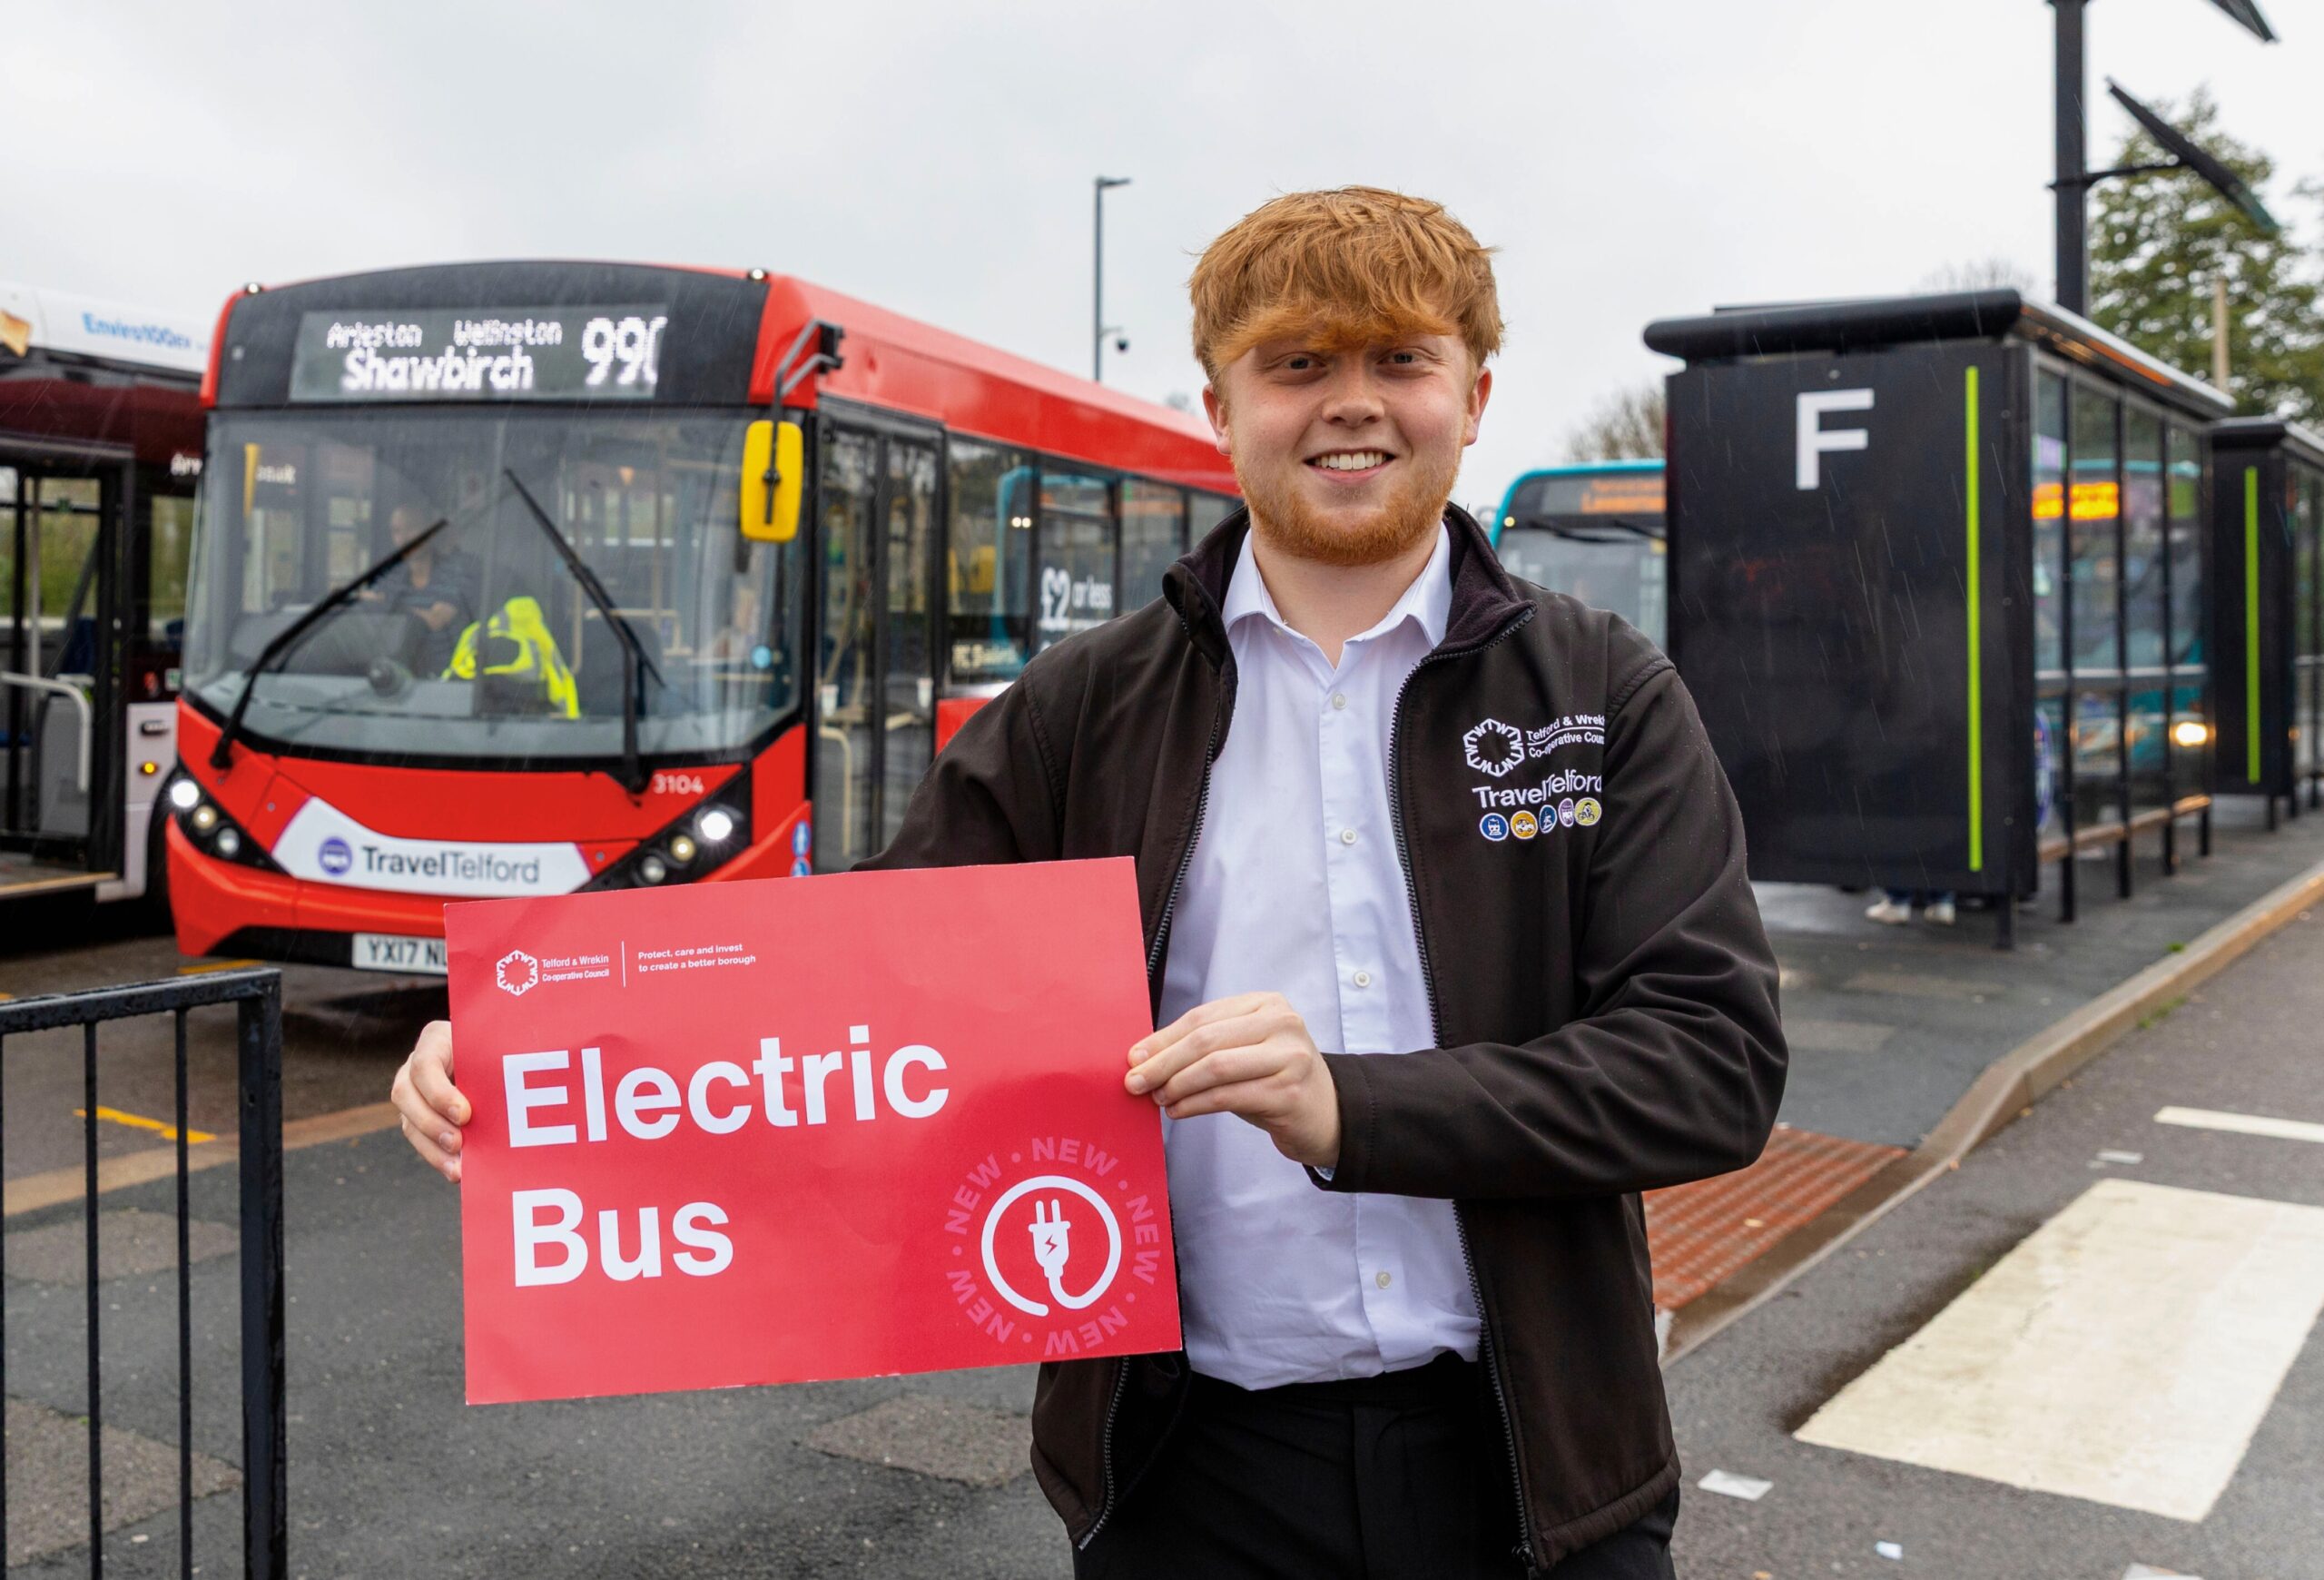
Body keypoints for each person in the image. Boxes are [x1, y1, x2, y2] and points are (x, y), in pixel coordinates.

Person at [389, 188, 1787, 1577]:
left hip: (1538, 1469)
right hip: (1192, 1475)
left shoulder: (1603, 690)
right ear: (1219, 407)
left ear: (1473, 397)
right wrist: (533, 1047)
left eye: (1399, 361)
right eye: (1297, 363)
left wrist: (1351, 1106)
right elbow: (838, 993)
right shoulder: (1085, 706)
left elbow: (1711, 1062)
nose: (1350, 403)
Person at [368, 502, 479, 674]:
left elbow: (436, 620)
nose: (404, 538)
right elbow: (371, 603)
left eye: (411, 528)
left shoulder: (456, 570)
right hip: (398, 681)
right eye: (396, 531)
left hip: (448, 682)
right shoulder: (391, 578)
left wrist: (393, 609)